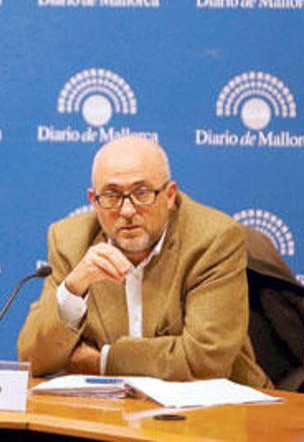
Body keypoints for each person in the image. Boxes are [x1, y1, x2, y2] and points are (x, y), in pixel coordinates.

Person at [17, 136, 270, 387]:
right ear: (94, 201)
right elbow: (33, 360)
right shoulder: (70, 242)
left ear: (170, 195)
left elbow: (205, 361)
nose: (127, 211)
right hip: (111, 407)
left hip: (219, 406)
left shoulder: (213, 239)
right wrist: (73, 291)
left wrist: (103, 361)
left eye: (142, 193)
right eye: (111, 195)